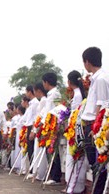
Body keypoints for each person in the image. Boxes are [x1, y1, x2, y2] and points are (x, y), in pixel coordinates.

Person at [81, 47, 109, 194]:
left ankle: (98, 191)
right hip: (91, 123)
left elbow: (102, 104)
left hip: (94, 124)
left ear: (87, 61)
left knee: (98, 163)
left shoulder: (101, 79)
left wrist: (96, 128)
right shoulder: (96, 78)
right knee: (94, 163)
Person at [64, 70, 87, 194]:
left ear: (69, 82)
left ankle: (75, 186)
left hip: (75, 129)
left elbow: (76, 114)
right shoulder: (78, 93)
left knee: (74, 157)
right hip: (73, 128)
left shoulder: (77, 95)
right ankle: (72, 184)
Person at [41, 72, 62, 185]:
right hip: (49, 125)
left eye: (43, 82)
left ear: (47, 82)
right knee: (51, 150)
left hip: (52, 125)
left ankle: (55, 176)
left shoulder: (54, 94)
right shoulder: (52, 94)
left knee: (53, 150)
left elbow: (52, 111)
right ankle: (53, 174)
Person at [23, 85, 39, 177]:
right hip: (28, 127)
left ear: (30, 92)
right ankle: (32, 169)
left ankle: (34, 170)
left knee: (32, 149)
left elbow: (35, 118)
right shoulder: (31, 104)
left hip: (32, 127)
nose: (26, 93)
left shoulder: (36, 103)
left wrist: (33, 130)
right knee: (30, 149)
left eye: (26, 91)